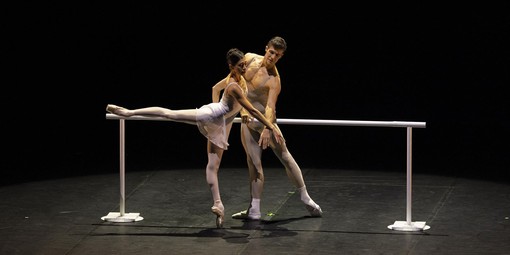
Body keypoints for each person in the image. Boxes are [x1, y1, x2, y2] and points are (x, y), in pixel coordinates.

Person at [106, 48, 284, 228]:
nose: (244, 68)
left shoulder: (241, 79)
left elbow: (224, 94)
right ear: (231, 67)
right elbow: (252, 109)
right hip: (210, 115)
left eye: (244, 64)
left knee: (213, 166)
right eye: (240, 66)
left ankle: (218, 205)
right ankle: (128, 112)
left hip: (219, 123)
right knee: (170, 114)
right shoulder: (233, 85)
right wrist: (270, 126)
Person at [232, 36, 322, 220]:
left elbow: (270, 107)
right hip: (247, 121)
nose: (273, 57)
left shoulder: (274, 79)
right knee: (253, 163)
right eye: (272, 52)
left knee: (285, 156)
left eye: (278, 55)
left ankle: (306, 198)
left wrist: (268, 128)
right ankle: (254, 210)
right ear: (266, 48)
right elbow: (235, 82)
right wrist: (240, 111)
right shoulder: (248, 58)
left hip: (264, 121)